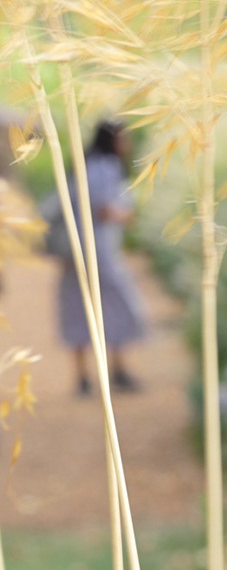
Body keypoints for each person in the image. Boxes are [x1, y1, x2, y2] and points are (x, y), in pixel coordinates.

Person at [41, 120, 147, 395]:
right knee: (113, 305)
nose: (128, 142)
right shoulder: (106, 167)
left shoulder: (81, 165)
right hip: (99, 253)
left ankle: (82, 377)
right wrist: (126, 213)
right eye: (125, 137)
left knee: (76, 309)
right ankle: (118, 370)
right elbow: (102, 208)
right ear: (113, 139)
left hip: (73, 253)